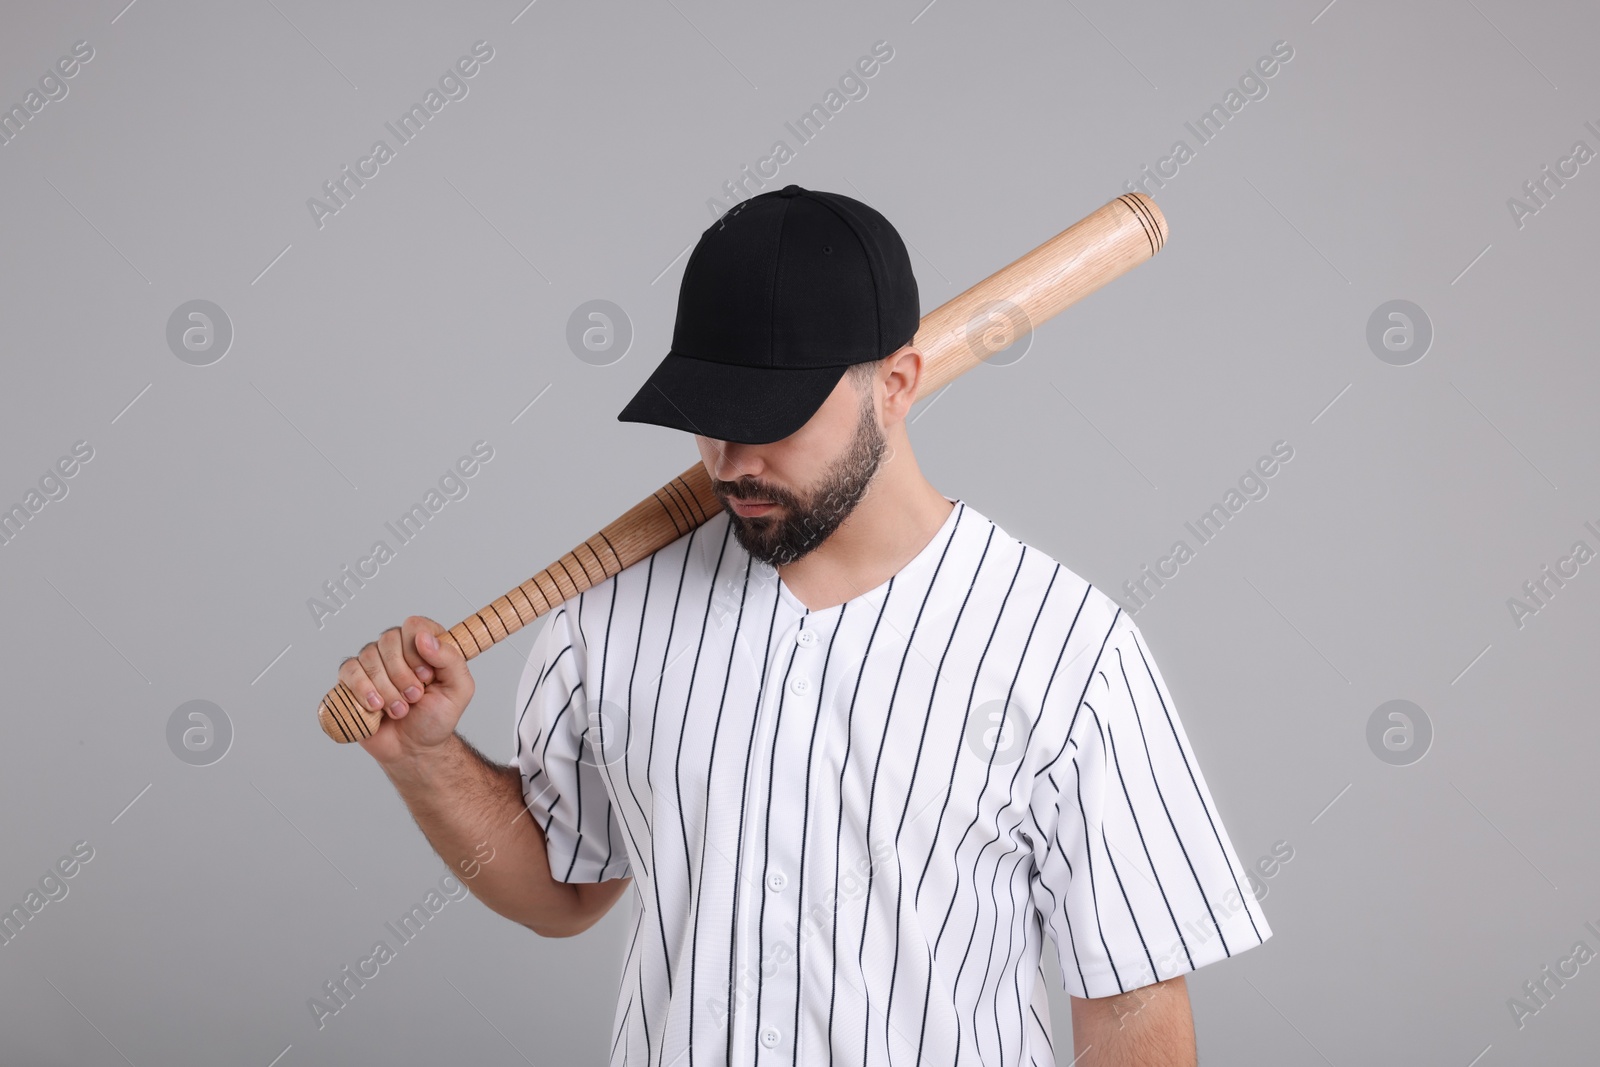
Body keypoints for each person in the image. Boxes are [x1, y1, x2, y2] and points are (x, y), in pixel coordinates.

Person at [338, 185, 1271, 1065]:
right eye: (709, 417)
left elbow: (1131, 1001)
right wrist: (427, 757)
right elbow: (565, 887)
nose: (732, 459)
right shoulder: (603, 621)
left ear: (898, 383)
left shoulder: (1065, 648)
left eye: (772, 418)